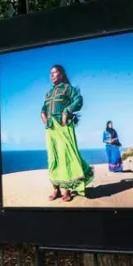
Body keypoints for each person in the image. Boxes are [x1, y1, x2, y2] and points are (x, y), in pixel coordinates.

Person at [40, 65, 94, 202]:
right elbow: (43, 108)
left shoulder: (67, 88)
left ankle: (67, 190)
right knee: (53, 158)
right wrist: (44, 117)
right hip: (51, 128)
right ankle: (55, 188)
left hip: (64, 126)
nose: (51, 75)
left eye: (54, 72)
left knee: (66, 157)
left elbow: (78, 100)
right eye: (50, 73)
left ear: (62, 74)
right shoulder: (49, 93)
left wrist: (66, 111)